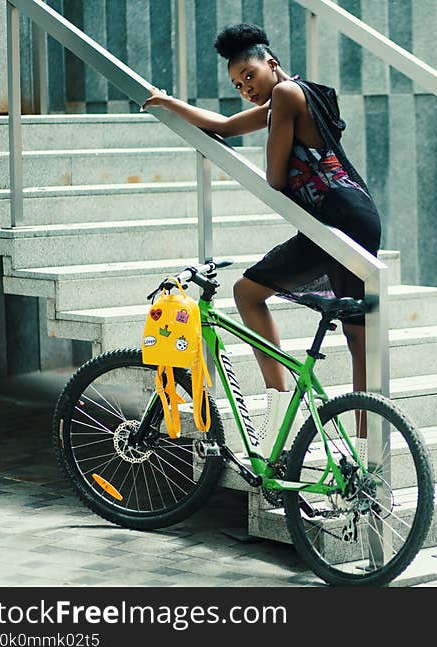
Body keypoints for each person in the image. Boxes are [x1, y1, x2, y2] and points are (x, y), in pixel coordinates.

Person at [142, 23, 381, 449]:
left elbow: (274, 177)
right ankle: (305, 413)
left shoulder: (288, 96)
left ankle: (337, 432)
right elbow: (226, 126)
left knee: (348, 329)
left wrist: (275, 134)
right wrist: (170, 103)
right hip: (343, 215)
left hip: (342, 217)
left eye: (250, 76)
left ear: (272, 64)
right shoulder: (288, 100)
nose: (245, 88)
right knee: (337, 326)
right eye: (237, 84)